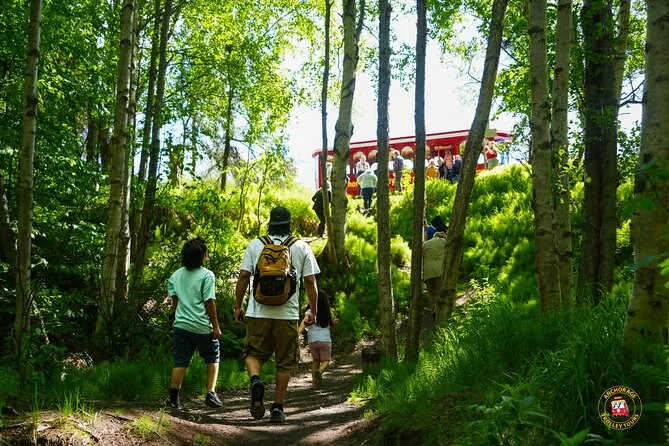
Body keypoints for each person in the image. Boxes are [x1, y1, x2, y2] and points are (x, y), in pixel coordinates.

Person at [234, 207, 320, 424]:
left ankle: (255, 381)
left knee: (253, 353)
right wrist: (313, 310)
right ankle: (278, 407)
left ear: (270, 224)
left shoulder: (256, 244)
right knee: (284, 361)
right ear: (289, 225)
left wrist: (237, 306)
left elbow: (243, 277)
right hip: (287, 314)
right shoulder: (300, 246)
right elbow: (310, 281)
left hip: (257, 312)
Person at [167, 237, 222, 410]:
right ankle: (211, 393)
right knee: (213, 356)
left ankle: (173, 401)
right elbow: (209, 302)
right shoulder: (207, 275)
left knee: (180, 362)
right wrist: (215, 327)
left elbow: (175, 303)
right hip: (201, 325)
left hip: (181, 325)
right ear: (202, 256)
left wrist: (173, 318)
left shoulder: (175, 275)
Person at [298, 290, 334, 388]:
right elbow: (333, 325)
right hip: (325, 340)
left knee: (315, 361)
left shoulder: (310, 312)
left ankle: (314, 384)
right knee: (326, 361)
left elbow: (304, 322)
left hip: (312, 341)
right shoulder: (327, 312)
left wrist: (298, 332)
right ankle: (319, 372)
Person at [422, 230, 448, 322]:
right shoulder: (444, 242)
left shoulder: (425, 244)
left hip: (428, 272)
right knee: (439, 291)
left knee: (431, 293)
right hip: (439, 270)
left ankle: (433, 310)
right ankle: (440, 311)